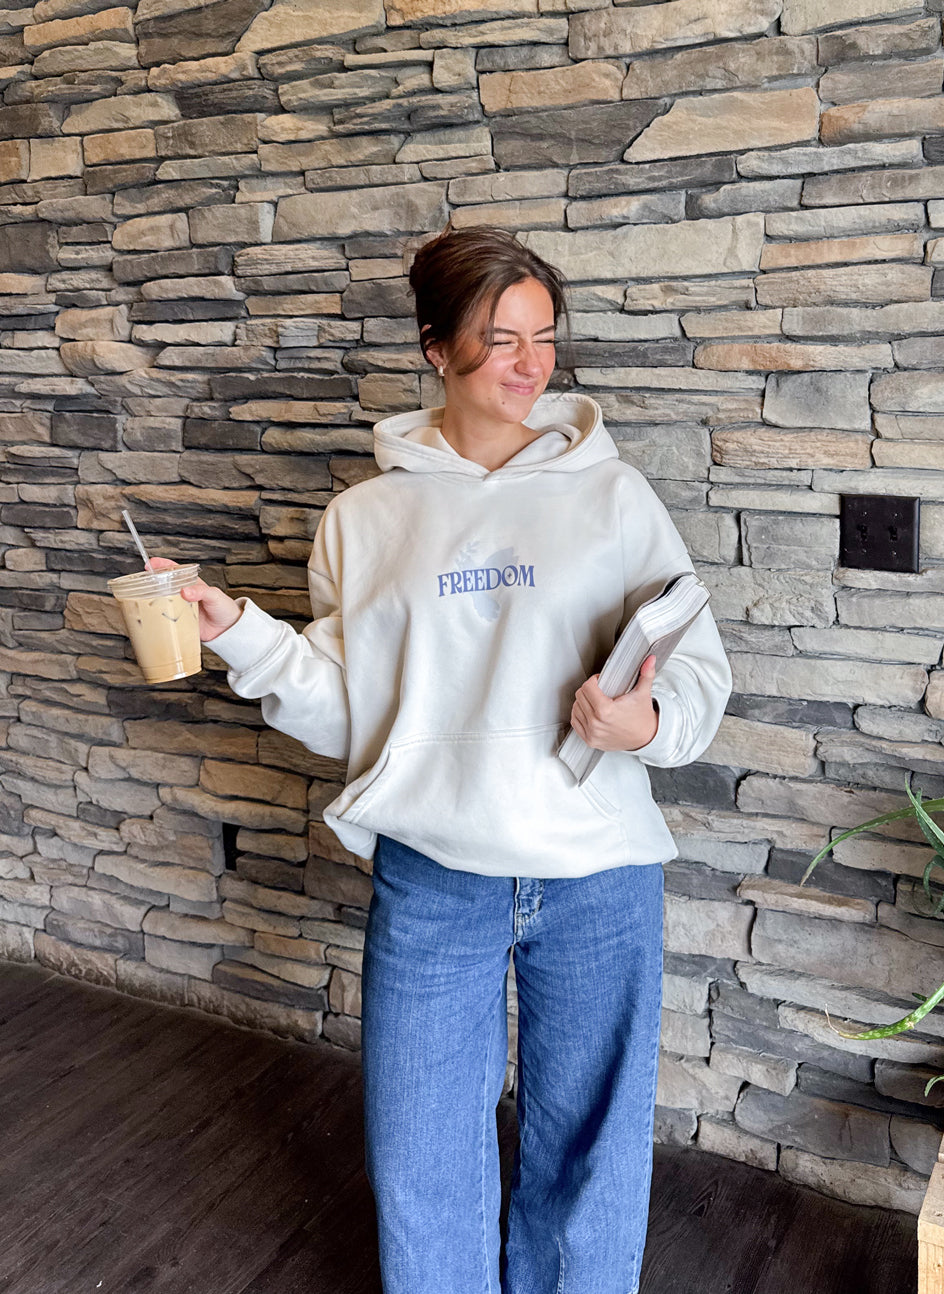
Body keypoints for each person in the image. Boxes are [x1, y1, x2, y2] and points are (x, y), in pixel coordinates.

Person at [151, 224, 732, 1294]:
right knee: (422, 1159)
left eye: (543, 338)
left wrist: (641, 728)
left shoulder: (614, 498)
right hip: (431, 873)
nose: (528, 364)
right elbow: (346, 712)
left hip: (597, 870)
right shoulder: (365, 520)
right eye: (498, 339)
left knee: (591, 1153)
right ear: (433, 347)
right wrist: (234, 628)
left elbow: (696, 671)